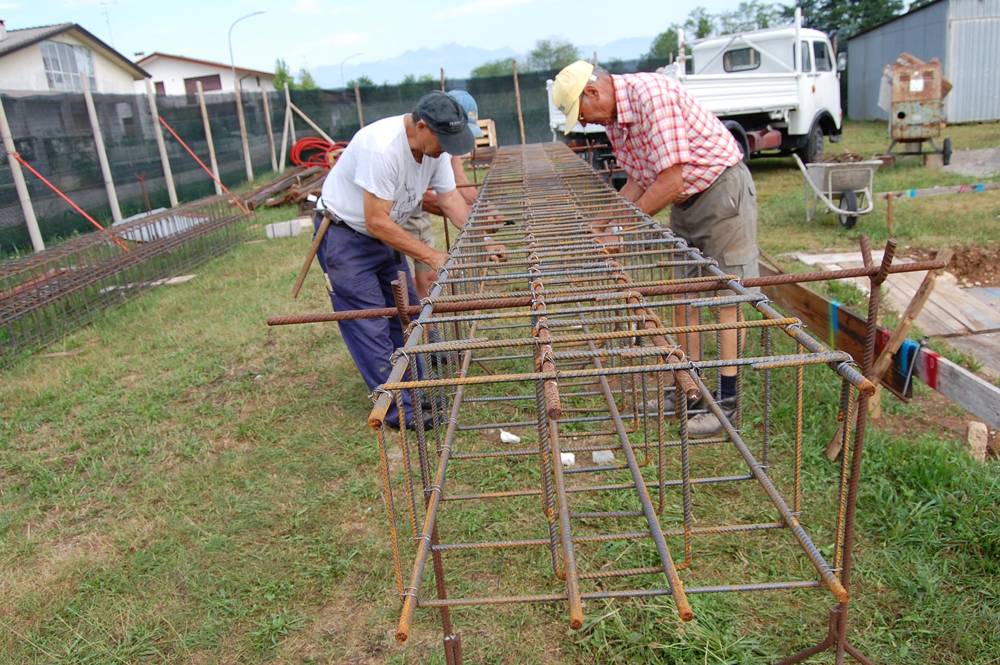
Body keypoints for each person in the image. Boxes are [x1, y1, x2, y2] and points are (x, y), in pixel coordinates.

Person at [551, 60, 759, 437]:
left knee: (726, 299)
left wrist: (620, 230)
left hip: (721, 192)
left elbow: (670, 180)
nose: (583, 124)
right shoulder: (617, 121)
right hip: (685, 201)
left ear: (593, 92)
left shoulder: (652, 97)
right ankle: (690, 391)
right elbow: (638, 181)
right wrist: (598, 226)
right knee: (685, 297)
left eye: (581, 113)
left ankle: (726, 404)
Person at [313, 91, 480, 430]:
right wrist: (431, 255)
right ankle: (398, 410)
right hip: (346, 237)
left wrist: (479, 239)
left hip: (386, 234)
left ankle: (415, 392)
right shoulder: (383, 148)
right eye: (444, 140)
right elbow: (375, 220)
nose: (447, 148)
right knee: (370, 320)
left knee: (405, 313)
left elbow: (449, 200)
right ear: (421, 126)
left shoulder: (434, 151)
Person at [402, 90, 482, 300]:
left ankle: (426, 326)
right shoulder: (402, 146)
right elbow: (428, 198)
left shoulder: (439, 147)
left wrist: (482, 230)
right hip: (396, 212)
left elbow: (453, 193)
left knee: (425, 276)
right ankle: (414, 321)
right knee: (402, 280)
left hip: (407, 209)